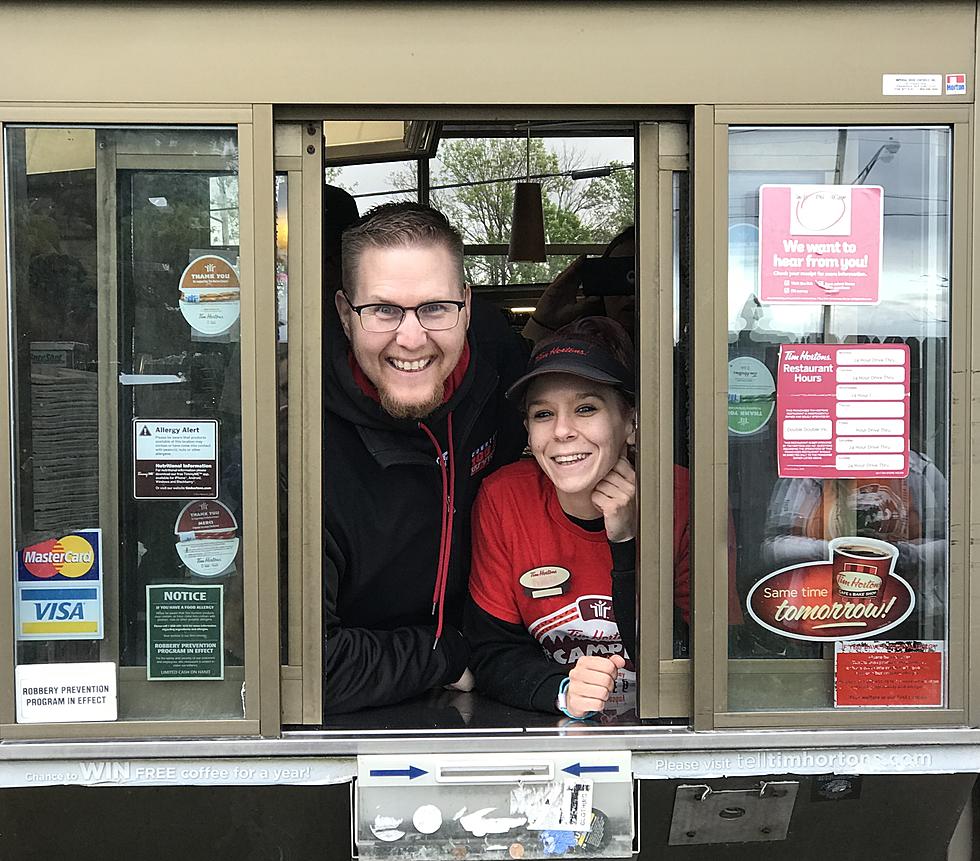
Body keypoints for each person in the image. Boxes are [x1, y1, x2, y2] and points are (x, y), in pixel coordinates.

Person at [322, 201, 528, 715]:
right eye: (383, 309)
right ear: (346, 315)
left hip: (496, 699)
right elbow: (308, 668)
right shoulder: (295, 440)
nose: (411, 338)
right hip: (354, 712)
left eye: (435, 307)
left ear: (466, 305)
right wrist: (448, 653)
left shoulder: (504, 378)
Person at [465, 317, 692, 719]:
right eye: (543, 414)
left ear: (631, 422)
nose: (562, 431)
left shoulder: (684, 499)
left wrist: (626, 544)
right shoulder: (505, 498)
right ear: (528, 433)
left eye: (586, 408)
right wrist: (562, 689)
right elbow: (491, 653)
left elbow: (693, 662)